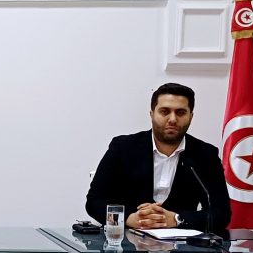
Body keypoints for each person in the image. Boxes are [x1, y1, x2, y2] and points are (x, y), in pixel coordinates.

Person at [86, 83, 230, 233]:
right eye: (164, 111)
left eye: (180, 112)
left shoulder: (205, 155)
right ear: (152, 114)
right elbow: (94, 202)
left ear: (191, 117)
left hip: (181, 244)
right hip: (126, 242)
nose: (172, 119)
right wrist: (128, 219)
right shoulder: (123, 148)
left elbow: (221, 213)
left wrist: (177, 219)